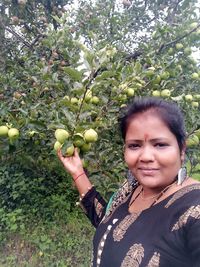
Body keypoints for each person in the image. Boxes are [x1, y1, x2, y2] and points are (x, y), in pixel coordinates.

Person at [57, 97, 200, 267]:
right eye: (134, 146)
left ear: (181, 150)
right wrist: (78, 173)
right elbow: (106, 221)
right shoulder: (132, 188)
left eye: (160, 144)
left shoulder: (194, 209)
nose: (146, 157)